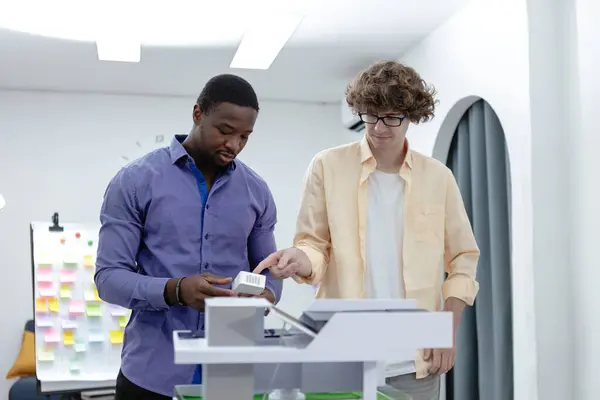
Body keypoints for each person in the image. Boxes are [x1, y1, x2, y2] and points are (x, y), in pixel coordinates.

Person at [254, 61, 479, 400]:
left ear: (412, 115)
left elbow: (463, 257)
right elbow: (314, 243)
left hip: (414, 360)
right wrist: (298, 259)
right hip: (340, 353)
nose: (378, 128)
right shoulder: (327, 165)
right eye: (371, 115)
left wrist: (447, 328)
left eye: (392, 117)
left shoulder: (438, 178)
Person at [95, 74, 283, 399]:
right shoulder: (134, 181)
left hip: (232, 374)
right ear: (198, 114)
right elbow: (109, 278)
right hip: (151, 375)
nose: (234, 145)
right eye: (225, 131)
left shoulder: (257, 192)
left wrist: (262, 298)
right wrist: (176, 290)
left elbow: (270, 274)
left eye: (245, 136)